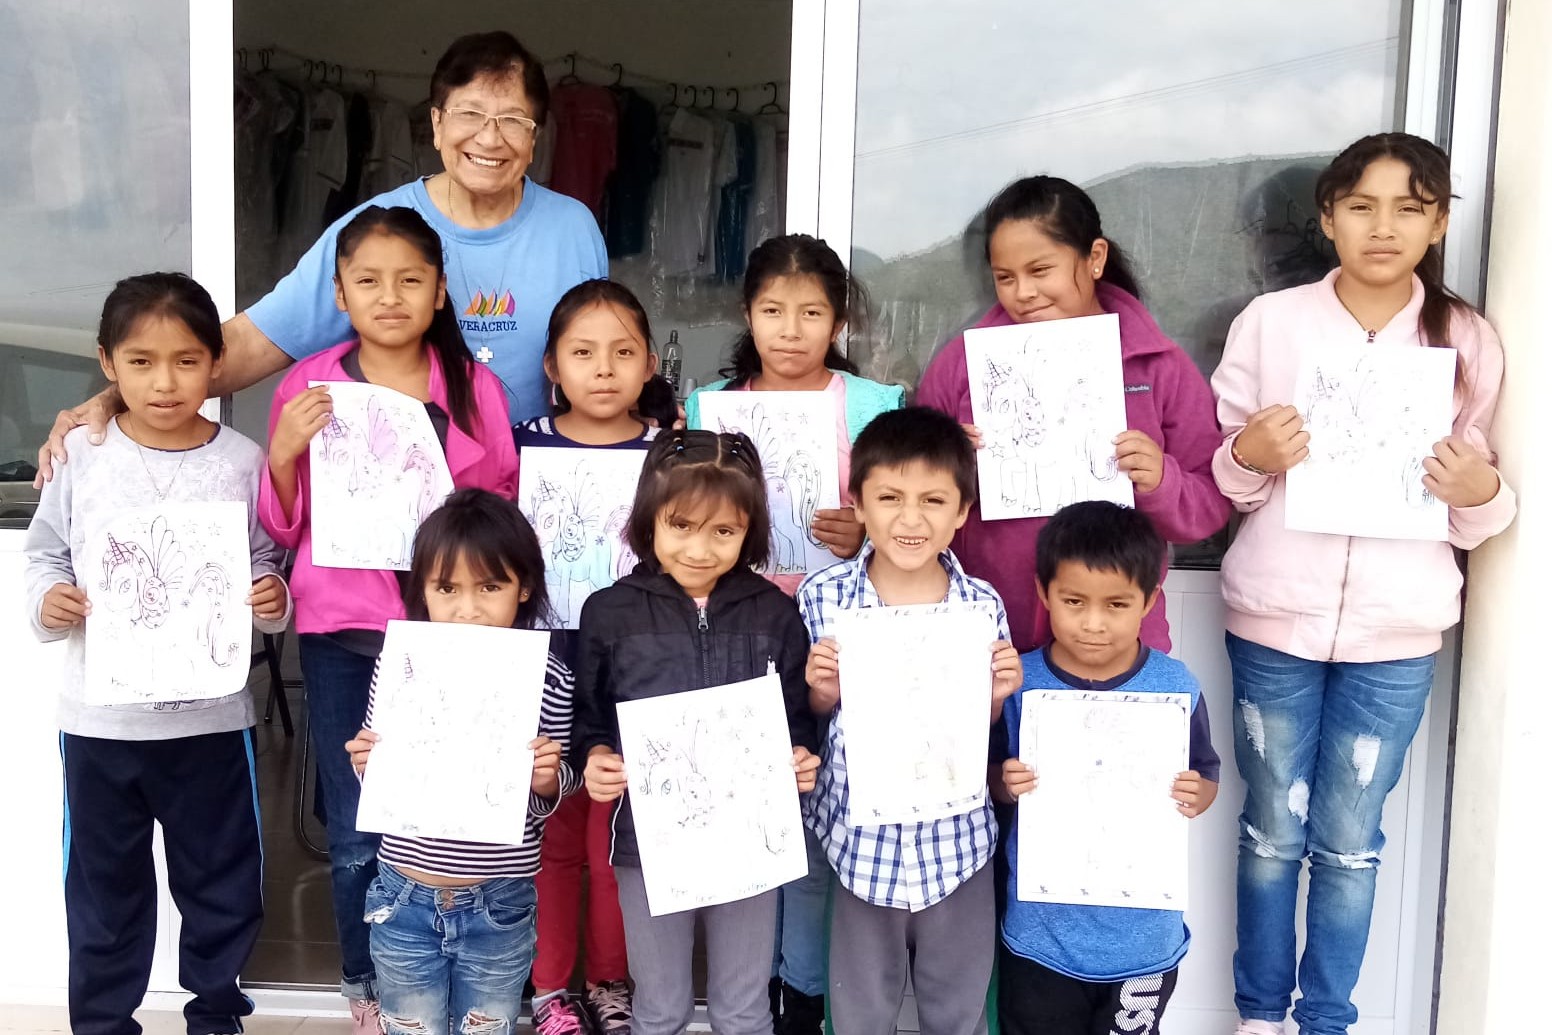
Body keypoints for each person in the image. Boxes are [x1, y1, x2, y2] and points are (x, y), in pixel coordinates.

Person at [1210, 132, 1516, 1035]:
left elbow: (1477, 508)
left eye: (1410, 207)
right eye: (1362, 206)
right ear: (1328, 218)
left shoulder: (1465, 338)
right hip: (1272, 618)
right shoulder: (1271, 322)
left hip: (1397, 632)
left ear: (1440, 221)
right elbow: (1225, 476)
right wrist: (1248, 454)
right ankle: (1259, 1015)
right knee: (1270, 831)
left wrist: (1482, 492)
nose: (1384, 226)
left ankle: (1325, 1019)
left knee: (1349, 843)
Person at [36, 29, 605, 484]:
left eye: (512, 120)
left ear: (535, 138)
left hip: (527, 502)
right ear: (436, 124)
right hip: (388, 509)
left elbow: (601, 358)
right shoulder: (375, 233)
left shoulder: (572, 228)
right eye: (471, 115)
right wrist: (117, 398)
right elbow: (254, 342)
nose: (490, 138)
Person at [259, 206, 518, 1030]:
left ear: (441, 292)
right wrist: (283, 454)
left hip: (453, 636)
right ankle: (365, 984)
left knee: (454, 813)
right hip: (342, 632)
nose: (390, 296)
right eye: (368, 281)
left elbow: (502, 508)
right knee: (358, 818)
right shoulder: (307, 386)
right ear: (340, 292)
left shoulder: (476, 389)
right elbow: (282, 524)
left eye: (411, 280)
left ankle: (461, 968)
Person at [23, 272, 292, 1035]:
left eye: (185, 360)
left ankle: (215, 1013)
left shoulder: (242, 460)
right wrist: (52, 601)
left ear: (216, 363)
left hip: (209, 724)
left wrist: (271, 595)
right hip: (101, 727)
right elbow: (45, 555)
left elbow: (267, 560)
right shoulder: (80, 454)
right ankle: (104, 1022)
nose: (164, 381)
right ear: (106, 364)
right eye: (140, 362)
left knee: (223, 880)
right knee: (105, 888)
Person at [685, 232, 904, 1032]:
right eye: (773, 309)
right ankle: (745, 989)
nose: (790, 329)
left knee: (818, 811)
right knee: (745, 814)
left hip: (843, 634)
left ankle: (803, 993)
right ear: (748, 312)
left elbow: (912, 515)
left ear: (838, 319)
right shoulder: (709, 408)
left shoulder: (876, 405)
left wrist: (868, 536)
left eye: (812, 311)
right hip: (734, 631)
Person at [572, 430, 822, 1035]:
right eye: (681, 525)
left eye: (724, 532)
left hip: (749, 842)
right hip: (647, 843)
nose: (700, 549)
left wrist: (801, 756)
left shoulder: (776, 614)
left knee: (743, 1008)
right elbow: (588, 718)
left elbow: (798, 717)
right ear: (649, 521)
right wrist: (596, 758)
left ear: (749, 531)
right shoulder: (609, 612)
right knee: (658, 1007)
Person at [915, 175, 1229, 654]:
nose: (1023, 292)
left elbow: (1208, 508)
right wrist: (949, 464)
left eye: (1041, 270)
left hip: (1116, 648)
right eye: (1005, 277)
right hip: (987, 635)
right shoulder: (963, 365)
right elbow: (909, 490)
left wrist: (1160, 481)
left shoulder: (1157, 365)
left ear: (1095, 258)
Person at [799, 406, 1024, 1035]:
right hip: (858, 846)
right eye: (890, 497)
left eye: (933, 500)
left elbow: (982, 728)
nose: (910, 518)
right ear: (859, 504)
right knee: (858, 1012)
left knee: (957, 1011)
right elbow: (807, 723)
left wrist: (999, 696)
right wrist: (821, 693)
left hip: (958, 845)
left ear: (961, 512)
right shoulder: (821, 598)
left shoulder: (981, 605)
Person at [343, 489, 579, 1035]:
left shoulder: (548, 679)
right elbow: (384, 772)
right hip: (403, 892)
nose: (467, 608)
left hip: (500, 902)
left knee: (487, 1026)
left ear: (523, 589)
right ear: (422, 591)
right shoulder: (399, 668)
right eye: (446, 588)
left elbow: (552, 792)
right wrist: (367, 765)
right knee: (412, 1026)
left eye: (489, 587)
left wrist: (547, 779)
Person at [993, 500, 1219, 1035]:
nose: (1094, 624)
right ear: (1044, 592)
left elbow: (1205, 774)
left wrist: (1197, 793)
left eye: (1117, 604)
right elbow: (989, 781)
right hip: (1040, 938)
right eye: (1074, 601)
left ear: (1150, 601)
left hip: (1143, 945)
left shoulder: (1175, 686)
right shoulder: (1018, 683)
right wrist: (1005, 782)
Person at [514, 279, 661, 1035]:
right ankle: (548, 991)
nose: (603, 369)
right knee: (549, 829)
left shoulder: (667, 449)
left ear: (648, 364)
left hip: (635, 669)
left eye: (622, 352)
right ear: (551, 364)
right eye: (583, 352)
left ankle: (610, 983)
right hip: (541, 663)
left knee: (615, 839)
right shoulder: (523, 444)